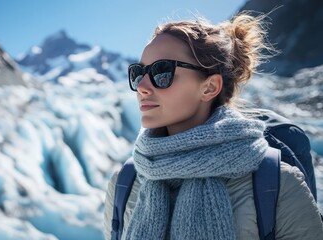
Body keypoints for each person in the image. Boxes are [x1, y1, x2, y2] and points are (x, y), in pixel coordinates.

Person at [103, 11, 323, 240]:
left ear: (209, 87)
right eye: (138, 73)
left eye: (161, 71)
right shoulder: (124, 183)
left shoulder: (277, 184)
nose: (143, 87)